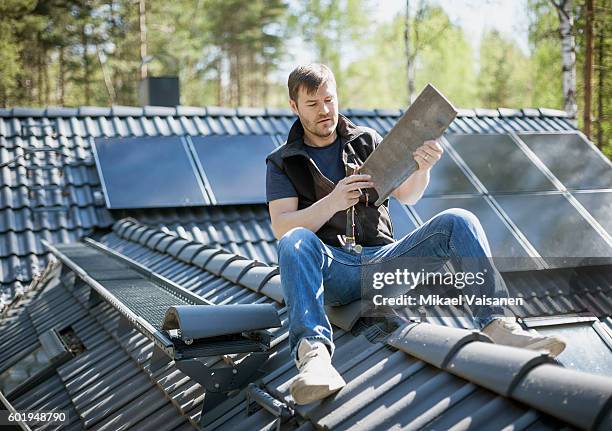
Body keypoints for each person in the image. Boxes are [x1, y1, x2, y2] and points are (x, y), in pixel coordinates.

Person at [265, 63, 566, 405]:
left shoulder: (366, 140)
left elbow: (408, 195)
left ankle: (498, 325)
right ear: (294, 106)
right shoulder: (283, 161)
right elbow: (282, 226)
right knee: (294, 242)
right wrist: (333, 201)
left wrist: (422, 168)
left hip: (382, 262)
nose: (325, 110)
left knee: (459, 219)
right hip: (332, 269)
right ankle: (315, 358)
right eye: (313, 104)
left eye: (329, 100)